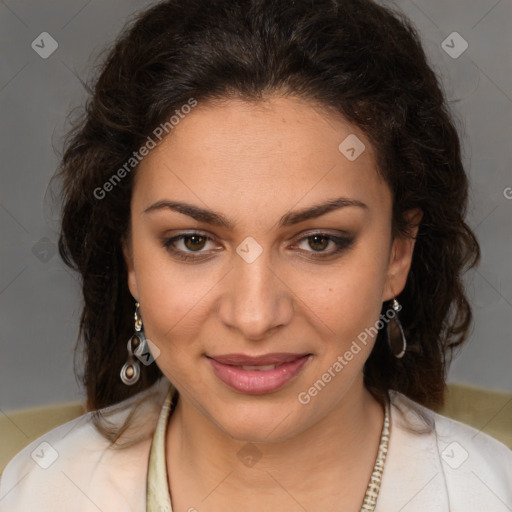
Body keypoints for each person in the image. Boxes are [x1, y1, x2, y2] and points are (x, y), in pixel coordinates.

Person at [1, 0, 511, 510]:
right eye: (193, 241)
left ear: (398, 255)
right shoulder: (36, 492)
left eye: (318, 241)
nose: (254, 317)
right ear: (131, 258)